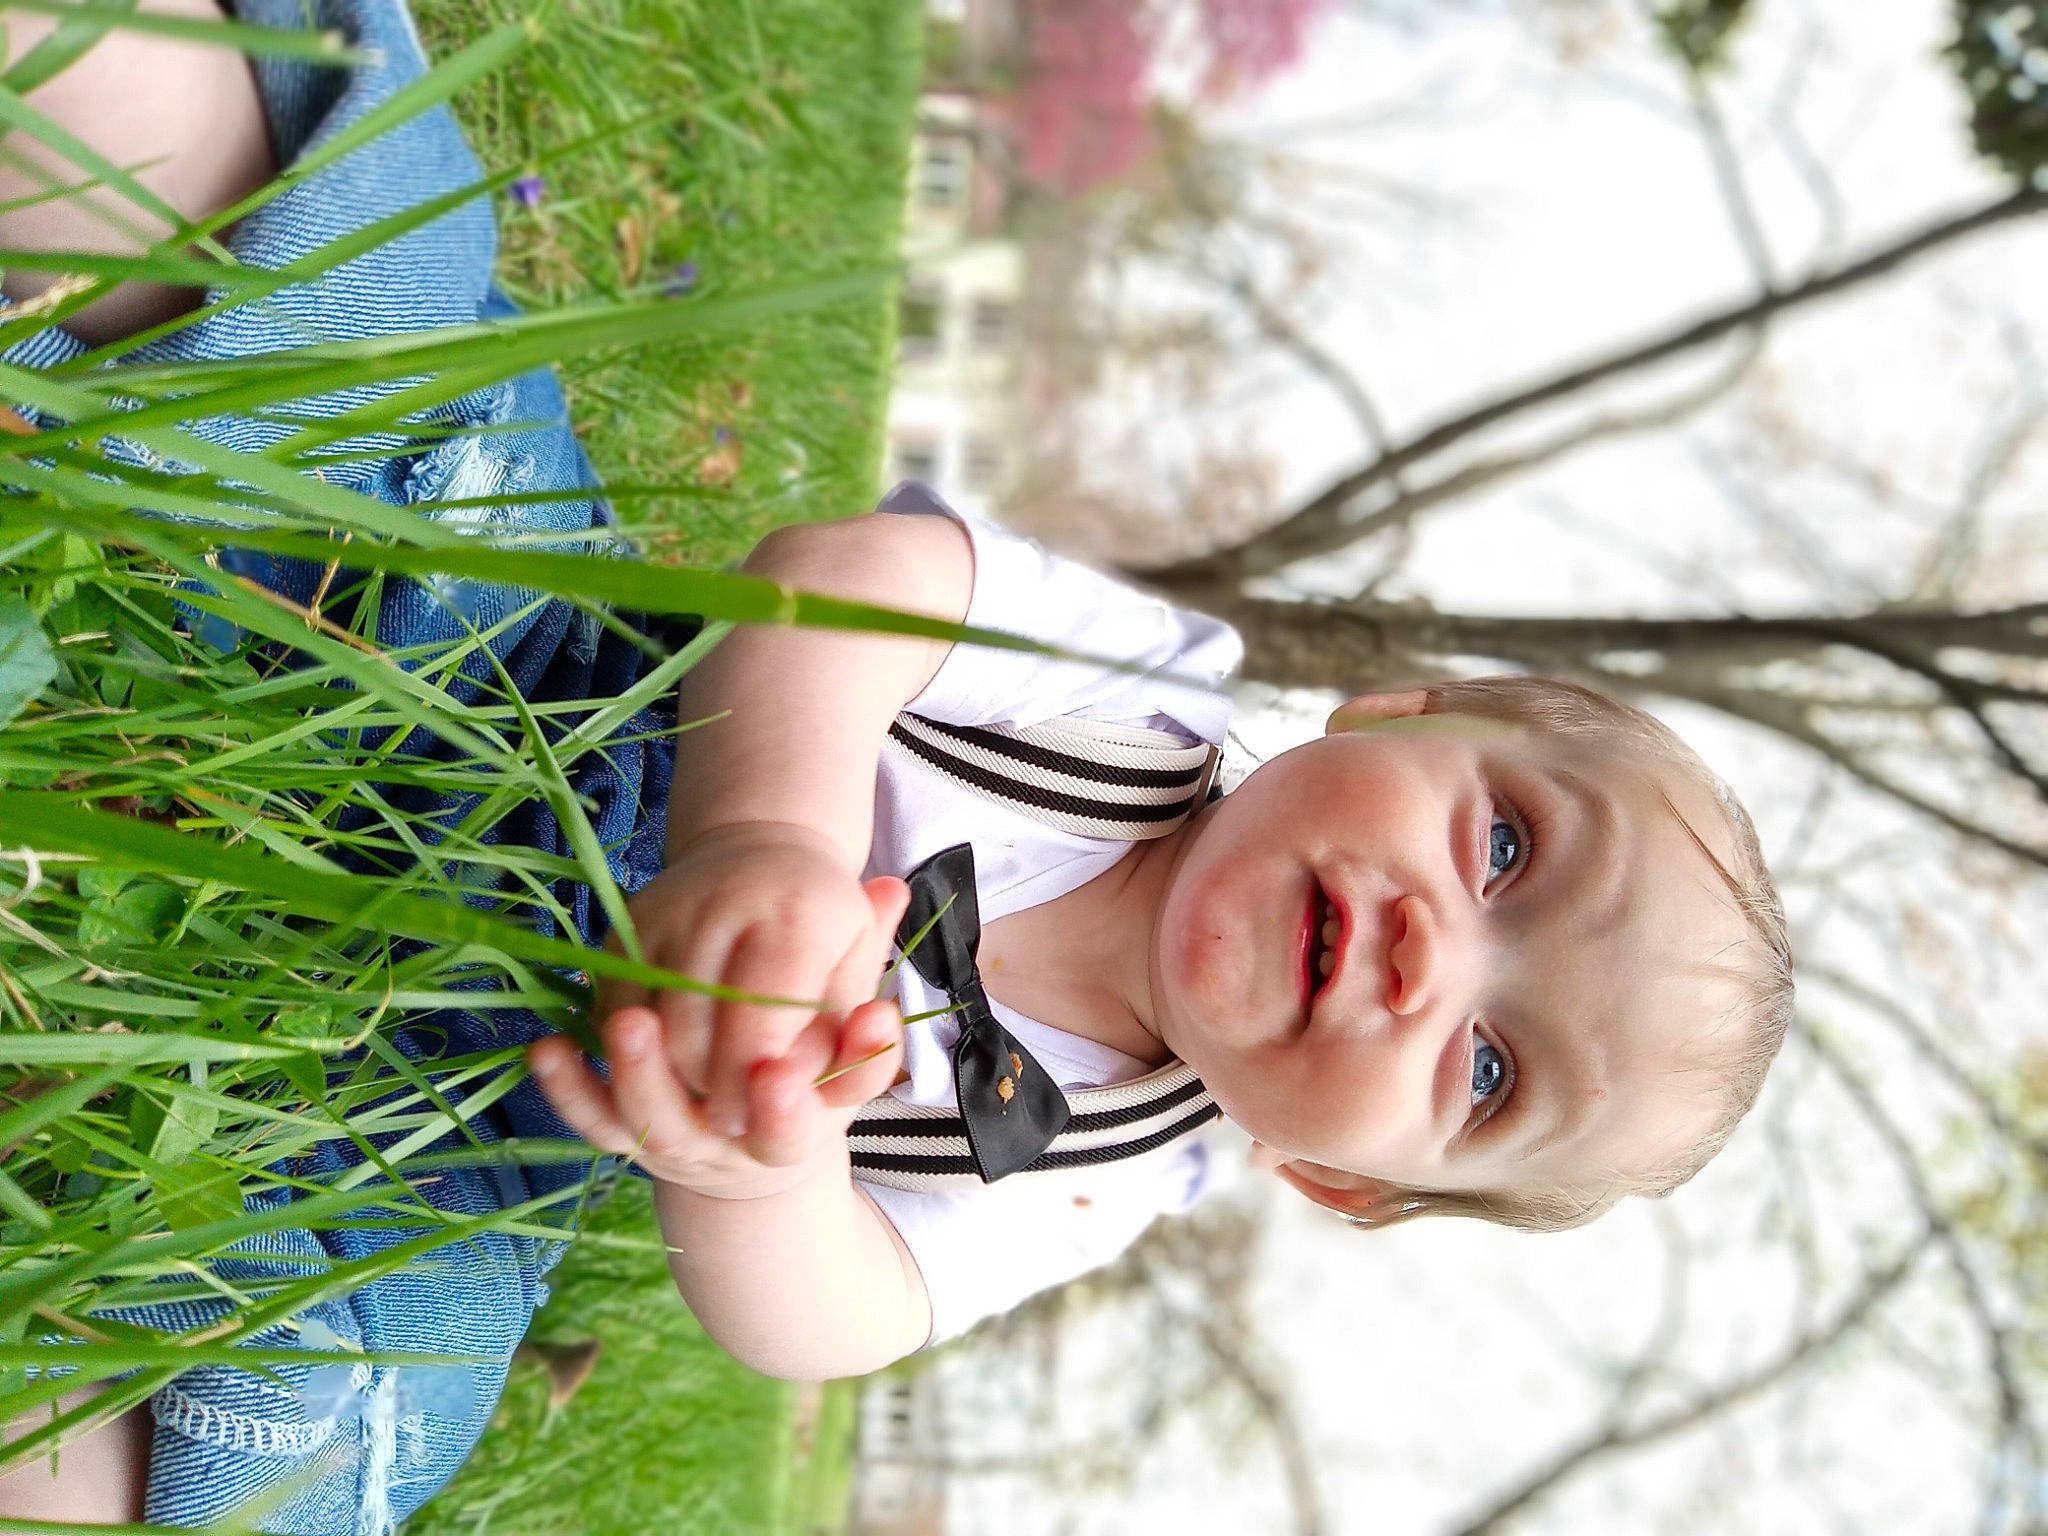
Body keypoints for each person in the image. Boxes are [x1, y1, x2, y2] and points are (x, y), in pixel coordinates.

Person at [0, 0, 1794, 1529]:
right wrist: (768, 828)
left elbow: (827, 1319)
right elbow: (842, 584)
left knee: (310, 1434)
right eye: (1502, 854)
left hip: (471, 1104)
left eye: (1486, 1068)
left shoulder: (1106, 1170)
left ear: (1344, 1184)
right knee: (339, 257)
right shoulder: (1146, 698)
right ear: (1400, 716)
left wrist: (760, 1165)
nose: (1430, 961)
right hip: (498, 649)